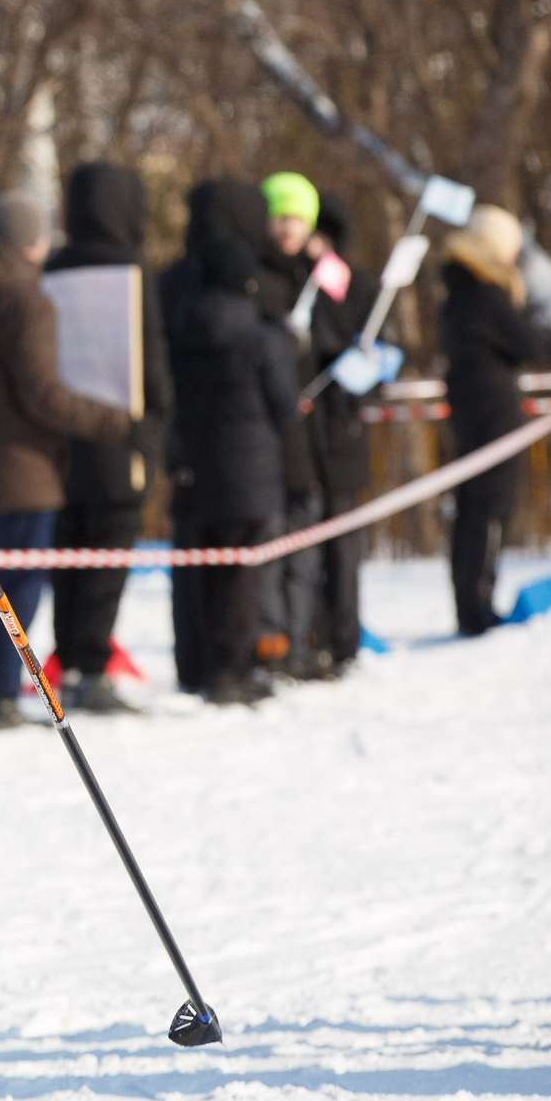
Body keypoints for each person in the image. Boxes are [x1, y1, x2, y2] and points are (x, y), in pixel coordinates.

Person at [0, 193, 131, 732]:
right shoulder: (29, 299)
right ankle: (0, 695)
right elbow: (42, 393)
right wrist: (113, 421)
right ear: (33, 241)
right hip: (24, 470)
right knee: (15, 591)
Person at [165, 179, 300, 704]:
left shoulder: (182, 322)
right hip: (252, 472)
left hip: (200, 465)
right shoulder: (262, 337)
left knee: (204, 569)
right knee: (245, 577)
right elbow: (284, 406)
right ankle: (232, 670)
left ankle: (201, 665)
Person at [45, 161, 172, 711]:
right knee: (107, 556)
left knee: (68, 556)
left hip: (60, 442)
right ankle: (91, 666)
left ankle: (71, 658)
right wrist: (156, 427)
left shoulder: (50, 268)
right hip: (121, 440)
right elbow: (152, 362)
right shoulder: (133, 271)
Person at [437, 204, 542, 636]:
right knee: (491, 506)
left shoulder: (457, 293)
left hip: (467, 406)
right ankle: (478, 608)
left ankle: (469, 604)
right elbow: (530, 343)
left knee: (472, 506)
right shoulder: (487, 294)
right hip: (494, 411)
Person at [298, 192, 383, 672]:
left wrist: (362, 361)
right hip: (306, 438)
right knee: (306, 546)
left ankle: (344, 638)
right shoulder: (296, 285)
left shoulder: (356, 287)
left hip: (342, 434)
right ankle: (313, 635)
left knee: (343, 547)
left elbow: (378, 350)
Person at [256, 172, 326, 674]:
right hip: (269, 431)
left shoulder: (320, 276)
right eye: (280, 216)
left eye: (297, 218)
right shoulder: (257, 279)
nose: (288, 227)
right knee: (272, 541)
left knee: (305, 544)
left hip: (311, 434)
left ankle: (299, 636)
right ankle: (273, 641)